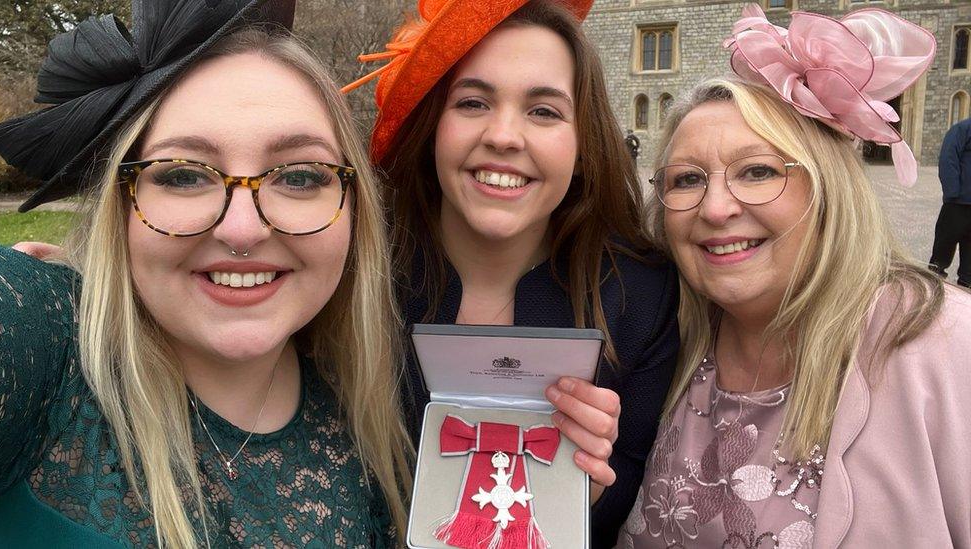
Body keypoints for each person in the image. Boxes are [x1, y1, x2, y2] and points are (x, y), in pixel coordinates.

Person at [0, 1, 409, 547]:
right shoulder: (37, 336)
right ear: (121, 206)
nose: (243, 229)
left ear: (355, 212)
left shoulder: (371, 429)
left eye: (302, 176)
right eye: (185, 176)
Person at [617, 6, 971, 548]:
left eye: (757, 171)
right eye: (687, 179)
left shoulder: (942, 346)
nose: (715, 208)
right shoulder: (664, 339)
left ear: (827, 189)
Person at [344, 1, 679, 545]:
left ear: (582, 147)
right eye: (473, 102)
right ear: (435, 127)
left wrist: (588, 489)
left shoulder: (643, 296)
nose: (503, 136)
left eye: (543, 111)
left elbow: (632, 489)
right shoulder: (353, 275)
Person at [929, 116, 971, 288]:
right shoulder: (962, 129)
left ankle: (966, 282)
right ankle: (934, 280)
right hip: (957, 203)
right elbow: (948, 157)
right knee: (945, 242)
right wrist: (953, 192)